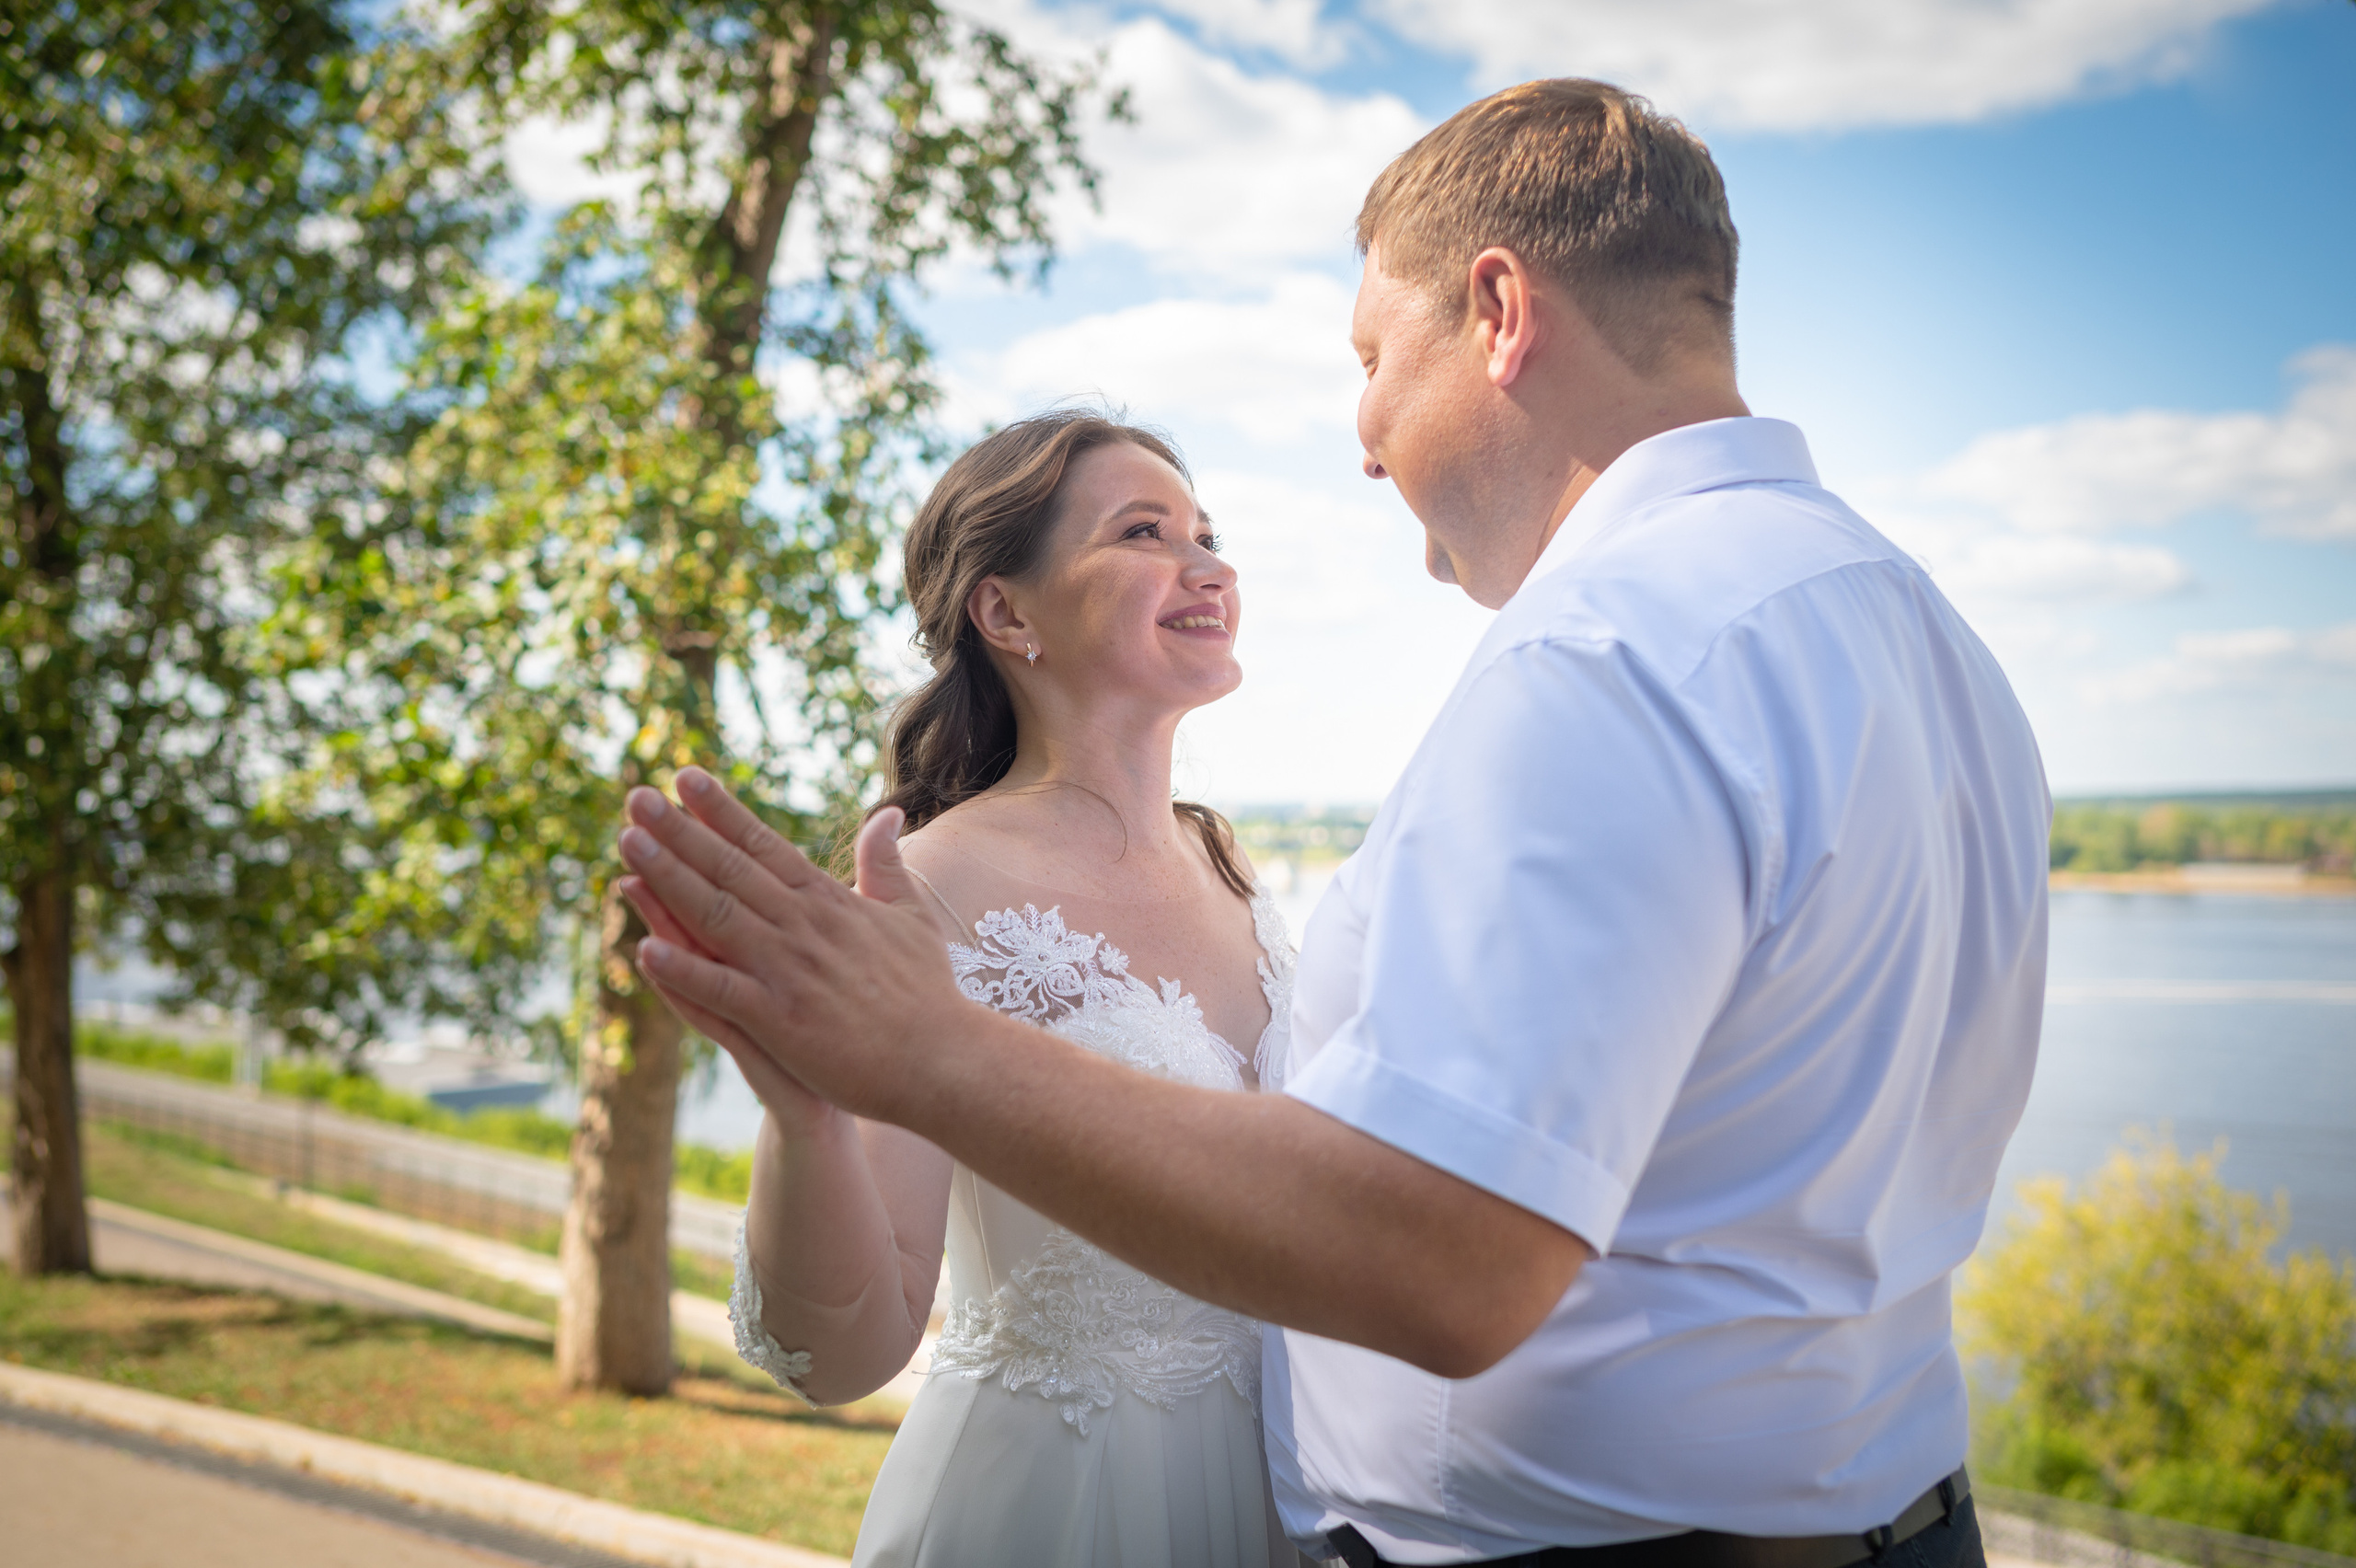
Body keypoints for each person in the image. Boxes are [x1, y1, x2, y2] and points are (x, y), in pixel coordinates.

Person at [617, 79, 2050, 1568]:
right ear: (1003, 613)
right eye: (1142, 531)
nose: (1364, 442)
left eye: (1373, 357)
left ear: (1497, 311)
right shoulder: (1917, 629)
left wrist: (931, 1049)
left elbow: (1448, 1256)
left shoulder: (1603, 657)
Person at [704, 409, 1319, 1566]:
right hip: (1058, 1507)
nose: (1210, 566)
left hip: (1271, 1501)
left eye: (1207, 533)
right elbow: (839, 1353)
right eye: (1146, 532)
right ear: (1005, 612)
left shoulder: (1228, 864)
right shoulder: (930, 890)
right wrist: (806, 1117)